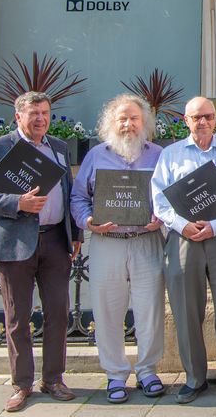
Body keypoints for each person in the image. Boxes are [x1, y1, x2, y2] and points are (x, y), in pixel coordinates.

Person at [0, 91, 82, 413]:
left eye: (45, 113)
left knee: (58, 313)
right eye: (34, 113)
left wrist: (76, 234)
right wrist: (17, 203)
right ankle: (22, 384)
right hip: (15, 243)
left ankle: (54, 379)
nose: (40, 119)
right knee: (18, 317)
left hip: (56, 243)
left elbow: (68, 191)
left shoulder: (58, 148)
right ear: (18, 116)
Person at [150, 97, 216, 403]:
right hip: (183, 240)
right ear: (186, 120)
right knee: (186, 310)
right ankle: (195, 378)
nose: (203, 122)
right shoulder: (170, 155)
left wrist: (215, 226)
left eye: (208, 116)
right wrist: (183, 225)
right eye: (197, 117)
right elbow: (159, 200)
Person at [70, 94, 165, 403]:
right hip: (107, 242)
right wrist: (88, 221)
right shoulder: (96, 156)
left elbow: (170, 194)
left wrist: (159, 217)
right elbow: (78, 197)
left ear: (145, 123)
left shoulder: (158, 155)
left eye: (134, 118)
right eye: (122, 118)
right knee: (107, 311)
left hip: (146, 241)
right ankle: (115, 374)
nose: (128, 124)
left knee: (150, 310)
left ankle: (148, 370)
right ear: (110, 123)